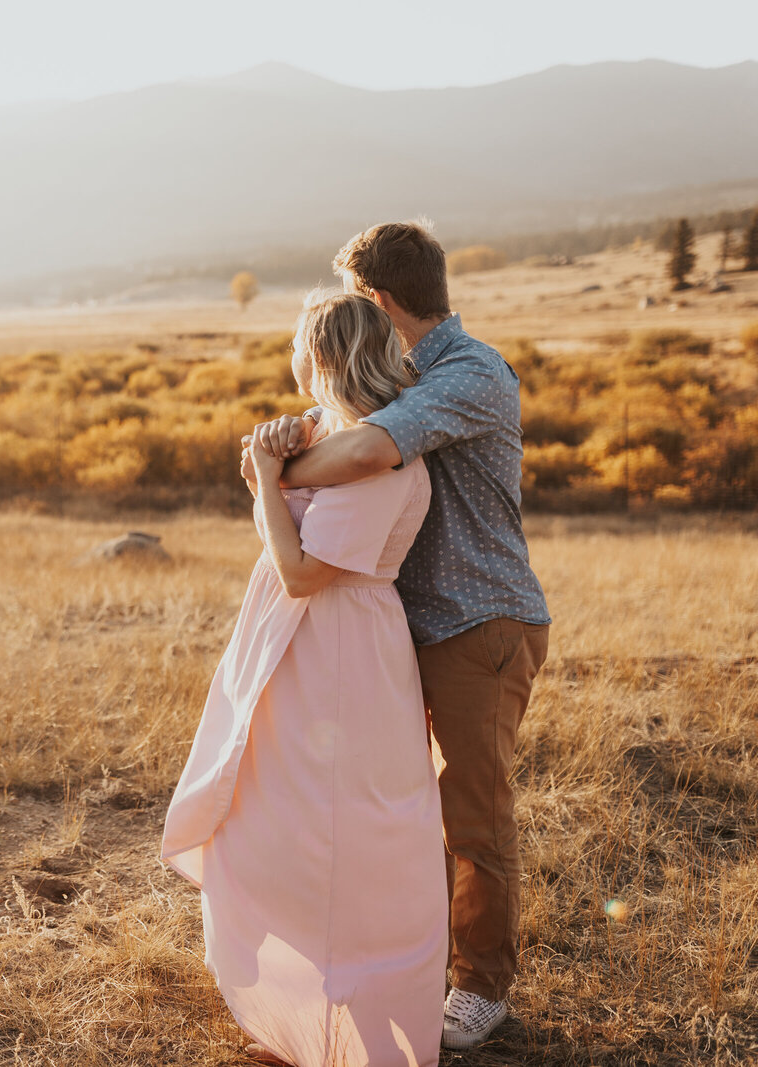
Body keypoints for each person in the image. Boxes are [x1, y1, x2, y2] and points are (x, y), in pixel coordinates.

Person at [256, 221, 551, 1050]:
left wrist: (268, 474)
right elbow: (345, 433)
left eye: (355, 301)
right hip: (405, 632)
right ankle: (409, 960)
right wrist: (292, 437)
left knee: (472, 811)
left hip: (478, 623)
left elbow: (369, 454)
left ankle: (481, 984)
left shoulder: (470, 372)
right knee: (405, 811)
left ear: (379, 300)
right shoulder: (401, 374)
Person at [161, 290, 448, 1067]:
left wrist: (264, 479)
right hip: (289, 647)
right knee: (269, 804)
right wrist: (273, 460)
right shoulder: (325, 433)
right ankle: (294, 989)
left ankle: (364, 1006)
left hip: (342, 648)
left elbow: (300, 570)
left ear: (320, 357)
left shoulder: (381, 453)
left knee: (349, 828)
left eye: (297, 346)